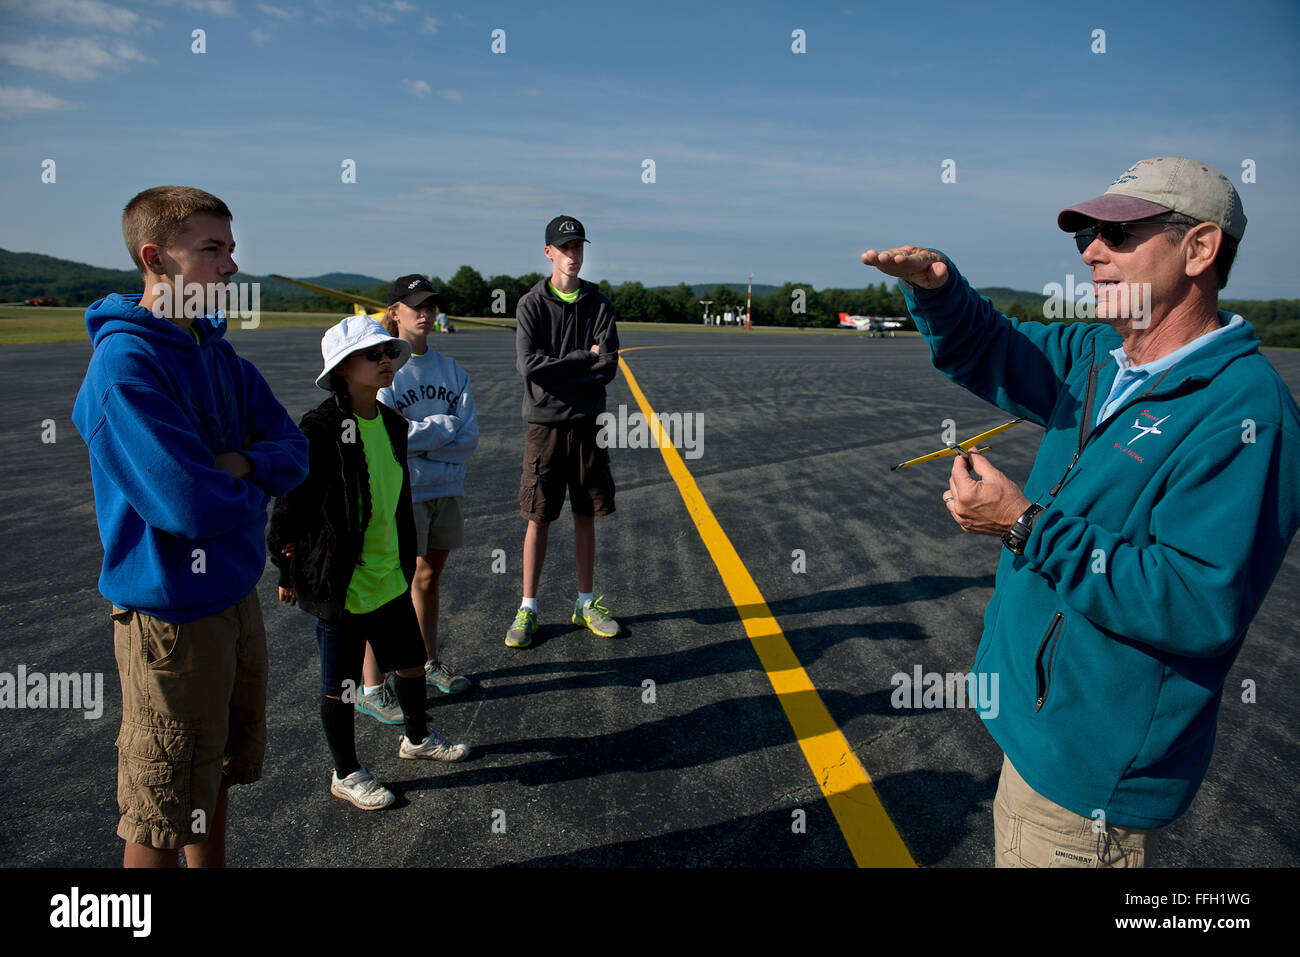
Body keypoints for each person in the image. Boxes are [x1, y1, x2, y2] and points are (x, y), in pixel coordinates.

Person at [862, 156, 1300, 867]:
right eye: (1087, 234)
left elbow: (1195, 602)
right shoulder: (1100, 352)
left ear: (1201, 248)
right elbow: (992, 346)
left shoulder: (1246, 414)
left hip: (1090, 775)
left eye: (1121, 234)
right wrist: (939, 291)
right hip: (1036, 736)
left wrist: (1024, 524)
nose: (1093, 251)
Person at [72, 186, 310, 866]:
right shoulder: (125, 367)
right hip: (170, 620)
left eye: (231, 249)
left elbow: (292, 452)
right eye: (212, 249)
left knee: (214, 773)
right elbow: (187, 506)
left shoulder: (219, 357)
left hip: (234, 599)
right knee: (159, 806)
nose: (230, 266)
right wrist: (246, 484)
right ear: (156, 258)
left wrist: (234, 463)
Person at [267, 316, 470, 811]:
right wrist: (286, 569)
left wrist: (403, 560)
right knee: (341, 686)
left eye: (389, 353)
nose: (386, 361)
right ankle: (346, 772)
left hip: (390, 575)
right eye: (373, 355)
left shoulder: (395, 425)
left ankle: (416, 739)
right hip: (342, 582)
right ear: (341, 368)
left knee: (411, 665)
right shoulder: (319, 428)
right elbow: (291, 504)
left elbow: (396, 500)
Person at [349, 276, 478, 724]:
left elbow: (469, 438)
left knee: (428, 579)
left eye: (430, 305)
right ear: (394, 313)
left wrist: (422, 433)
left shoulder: (452, 369)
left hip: (445, 489)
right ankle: (370, 686)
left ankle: (425, 662)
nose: (425, 313)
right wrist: (442, 427)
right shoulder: (383, 366)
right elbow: (388, 434)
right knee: (384, 586)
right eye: (414, 305)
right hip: (401, 493)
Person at [506, 215, 621, 648]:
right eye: (565, 247)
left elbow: (606, 367)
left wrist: (560, 367)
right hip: (545, 426)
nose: (573, 254)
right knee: (538, 518)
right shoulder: (531, 304)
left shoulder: (600, 304)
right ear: (548, 252)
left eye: (578, 247)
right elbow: (528, 368)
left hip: (588, 425)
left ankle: (586, 603)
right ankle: (528, 608)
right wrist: (581, 359)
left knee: (586, 514)